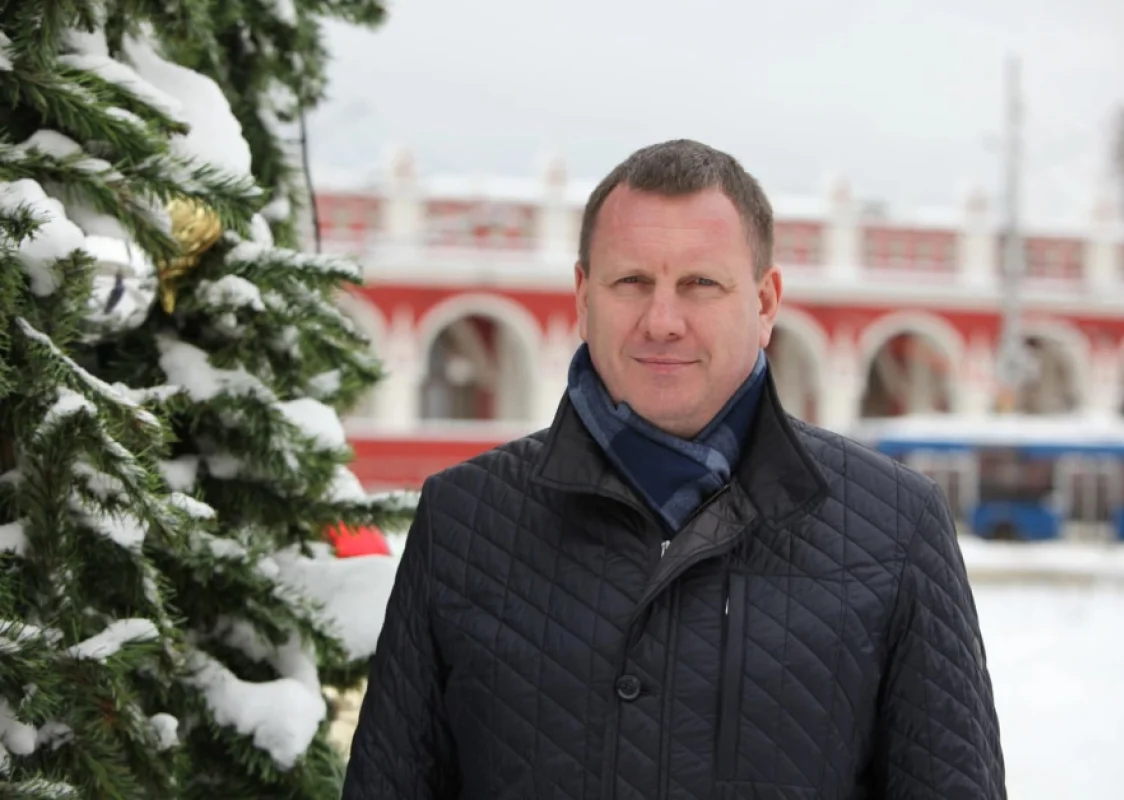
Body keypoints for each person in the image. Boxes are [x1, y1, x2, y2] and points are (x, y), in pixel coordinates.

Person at [342, 139, 1006, 799]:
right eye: (631, 282)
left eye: (700, 284)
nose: (662, 322)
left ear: (765, 303)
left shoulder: (894, 527)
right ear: (583, 298)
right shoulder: (465, 521)